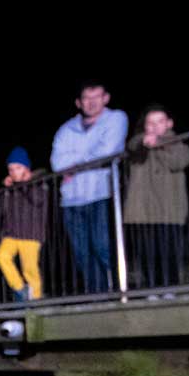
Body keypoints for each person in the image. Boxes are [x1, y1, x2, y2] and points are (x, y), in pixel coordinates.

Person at [50, 80, 128, 294]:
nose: (92, 102)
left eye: (97, 97)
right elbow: (57, 163)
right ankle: (98, 295)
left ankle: (120, 290)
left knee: (103, 246)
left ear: (106, 98)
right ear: (78, 102)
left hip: (101, 193)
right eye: (87, 98)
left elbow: (108, 151)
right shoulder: (66, 129)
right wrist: (85, 160)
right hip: (71, 199)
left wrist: (73, 164)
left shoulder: (116, 119)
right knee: (82, 252)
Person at [123, 105, 189, 292]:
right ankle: (152, 287)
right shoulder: (139, 144)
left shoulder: (179, 145)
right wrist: (145, 143)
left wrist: (160, 145)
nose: (155, 127)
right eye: (150, 123)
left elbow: (179, 161)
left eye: (160, 121)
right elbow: (132, 145)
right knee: (147, 251)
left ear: (169, 123)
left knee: (169, 250)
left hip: (169, 209)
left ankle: (170, 287)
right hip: (143, 210)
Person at [0, 147, 49, 301]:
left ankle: (36, 298)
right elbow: (1, 210)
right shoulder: (11, 187)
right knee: (1, 256)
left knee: (29, 268)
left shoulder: (39, 183)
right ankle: (20, 288)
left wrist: (27, 183)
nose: (13, 172)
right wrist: (6, 190)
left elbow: (38, 200)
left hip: (30, 233)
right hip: (11, 233)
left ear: (27, 168)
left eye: (17, 168)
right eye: (10, 169)